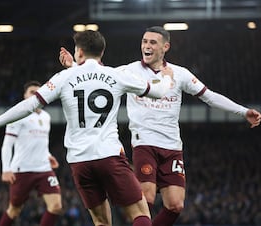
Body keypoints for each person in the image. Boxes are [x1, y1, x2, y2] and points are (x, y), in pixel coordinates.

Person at [59, 26, 261, 226]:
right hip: (144, 144)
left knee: (175, 205)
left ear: (166, 47)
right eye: (144, 41)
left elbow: (210, 96)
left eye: (152, 42)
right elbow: (97, 76)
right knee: (145, 198)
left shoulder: (179, 74)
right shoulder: (128, 71)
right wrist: (73, 67)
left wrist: (243, 111)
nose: (146, 46)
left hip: (172, 147)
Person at [0, 30, 175, 226]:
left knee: (101, 221)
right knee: (140, 213)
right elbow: (157, 91)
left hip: (80, 162)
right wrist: (167, 78)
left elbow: (29, 105)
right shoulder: (115, 75)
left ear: (79, 51)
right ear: (102, 52)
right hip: (109, 156)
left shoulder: (64, 77)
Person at [0, 80, 63, 226]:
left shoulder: (46, 117)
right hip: (22, 170)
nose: (35, 95)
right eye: (32, 92)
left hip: (44, 169)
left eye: (38, 92)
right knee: (14, 210)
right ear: (25, 96)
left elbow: (42, 142)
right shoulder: (18, 115)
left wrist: (48, 155)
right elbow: (7, 144)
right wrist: (6, 169)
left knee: (56, 206)